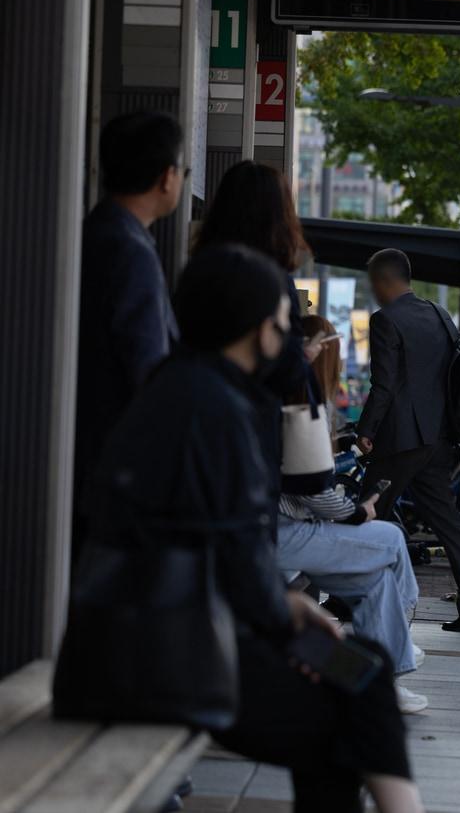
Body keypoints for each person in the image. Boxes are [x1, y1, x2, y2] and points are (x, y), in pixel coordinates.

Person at [58, 244, 423, 813]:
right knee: (362, 681)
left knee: (357, 679)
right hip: (173, 661)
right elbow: (237, 565)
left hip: (133, 644)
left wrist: (292, 611)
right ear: (260, 331)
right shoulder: (221, 411)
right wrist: (287, 619)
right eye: (284, 324)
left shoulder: (173, 388)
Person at [278, 314, 427, 714]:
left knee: (377, 582)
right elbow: (311, 488)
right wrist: (357, 514)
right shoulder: (300, 400)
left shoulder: (288, 395)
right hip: (285, 533)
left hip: (283, 531)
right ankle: (402, 635)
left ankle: (386, 682)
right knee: (392, 539)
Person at [357, 249, 460, 633]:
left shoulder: (386, 320)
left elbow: (383, 385)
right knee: (449, 523)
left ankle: (352, 595)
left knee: (366, 513)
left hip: (401, 442)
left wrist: (365, 430)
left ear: (384, 281)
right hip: (439, 439)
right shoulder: (438, 314)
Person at [74, 112, 184, 527]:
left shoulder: (97, 230)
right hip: (112, 465)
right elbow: (148, 373)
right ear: (166, 177)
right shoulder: (131, 251)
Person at [192, 160, 324, 403]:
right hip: (251, 417)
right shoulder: (274, 283)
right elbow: (288, 371)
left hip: (196, 403)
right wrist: (303, 356)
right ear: (279, 216)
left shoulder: (200, 269)